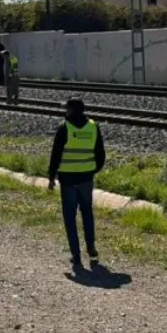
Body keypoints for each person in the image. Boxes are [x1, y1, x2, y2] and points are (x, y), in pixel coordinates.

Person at [47, 98, 105, 271]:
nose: (65, 111)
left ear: (71, 110)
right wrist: (91, 170)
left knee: (70, 217)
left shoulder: (65, 128)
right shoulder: (93, 127)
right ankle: (91, 249)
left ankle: (76, 255)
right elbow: (100, 154)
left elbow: (55, 155)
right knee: (87, 213)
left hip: (68, 180)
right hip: (86, 179)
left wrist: (51, 176)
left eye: (67, 109)